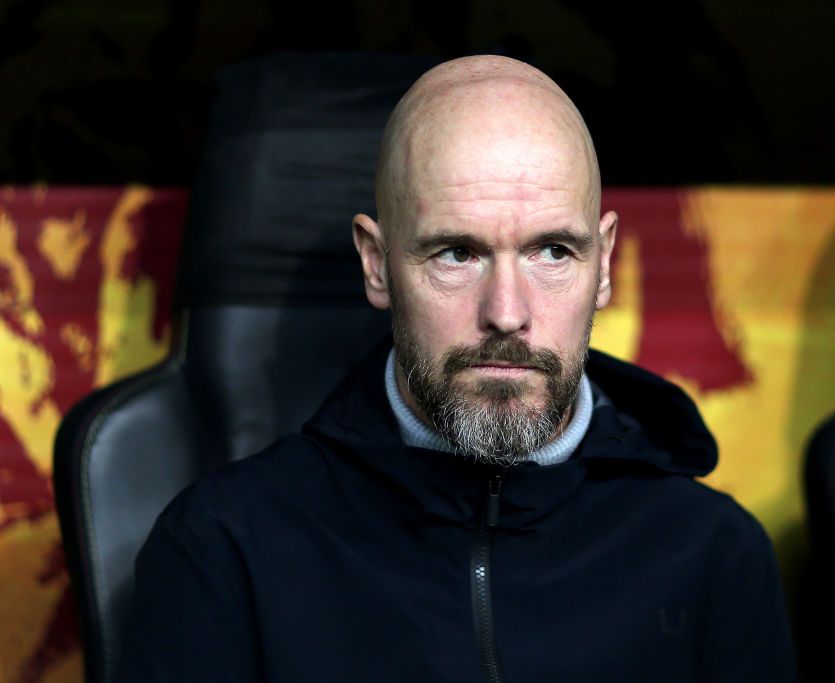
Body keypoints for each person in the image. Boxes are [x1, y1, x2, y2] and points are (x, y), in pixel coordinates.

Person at [117, 55, 796, 682]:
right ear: (377, 264)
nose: (507, 313)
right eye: (456, 253)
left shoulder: (713, 555)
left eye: (553, 251)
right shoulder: (223, 549)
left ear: (605, 264)